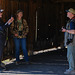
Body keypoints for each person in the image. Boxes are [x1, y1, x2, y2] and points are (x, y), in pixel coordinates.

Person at [62, 8, 75, 74]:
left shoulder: (72, 21)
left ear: (71, 13)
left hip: (72, 42)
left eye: (68, 12)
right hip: (72, 42)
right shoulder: (72, 21)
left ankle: (72, 69)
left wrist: (66, 30)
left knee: (71, 55)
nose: (67, 13)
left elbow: (73, 31)